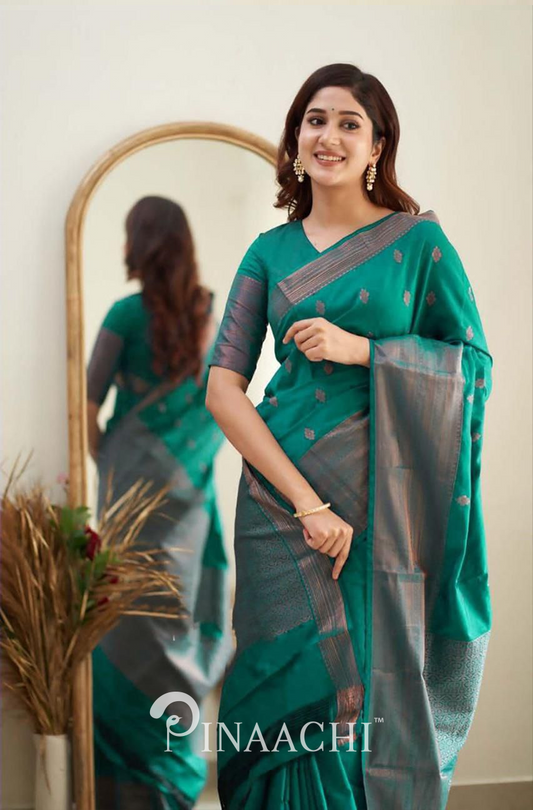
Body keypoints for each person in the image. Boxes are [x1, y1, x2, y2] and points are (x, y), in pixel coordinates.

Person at [206, 64, 494, 809]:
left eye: (348, 122)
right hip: (281, 505)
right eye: (314, 119)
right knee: (273, 691)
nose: (327, 135)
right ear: (295, 139)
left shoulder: (418, 243)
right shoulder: (268, 253)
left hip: (383, 510)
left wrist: (364, 351)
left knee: (359, 693)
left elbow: (473, 367)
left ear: (377, 146)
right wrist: (305, 505)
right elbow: (221, 388)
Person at [86, 196, 233, 809]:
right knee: (181, 629)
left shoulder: (124, 316)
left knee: (122, 631)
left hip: (129, 510)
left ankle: (120, 788)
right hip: (192, 509)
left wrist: (117, 465)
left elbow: (83, 406)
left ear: (138, 245)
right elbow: (230, 403)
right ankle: (171, 779)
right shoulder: (214, 316)